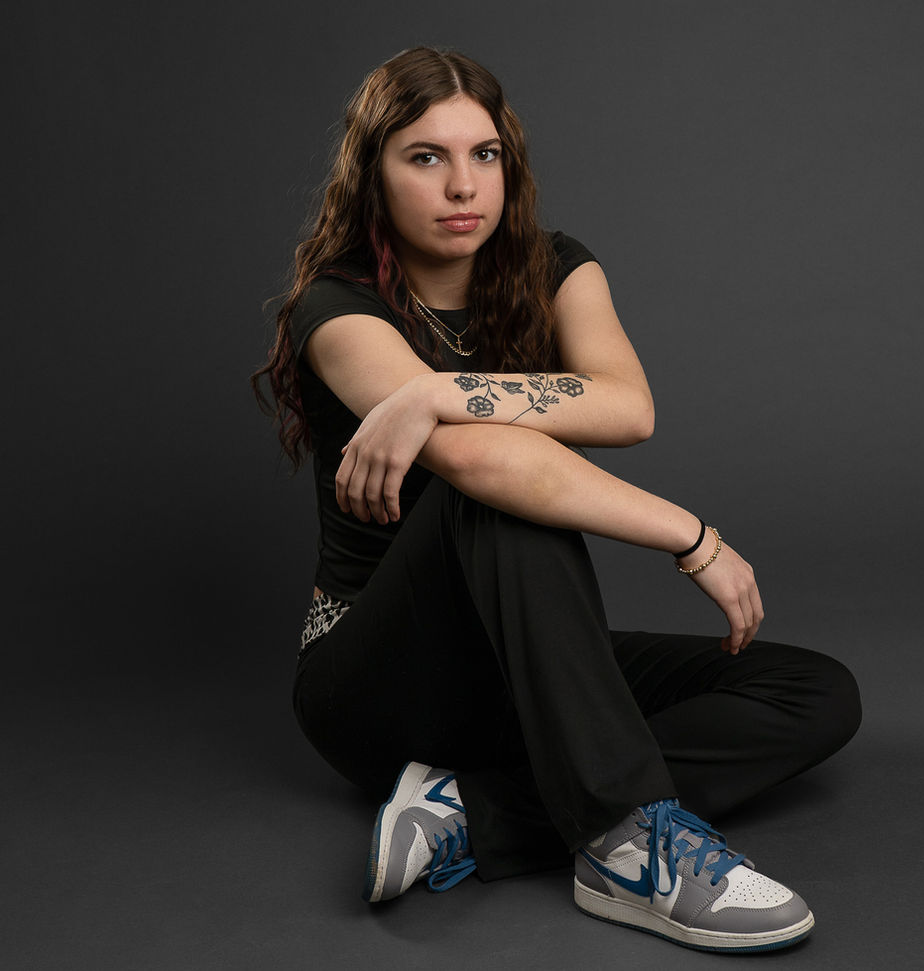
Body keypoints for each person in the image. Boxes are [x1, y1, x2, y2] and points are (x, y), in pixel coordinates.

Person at [253, 46, 861, 954]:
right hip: (377, 684)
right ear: (373, 173)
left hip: (517, 659)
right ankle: (623, 843)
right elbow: (481, 460)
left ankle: (472, 811)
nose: (463, 185)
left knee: (812, 692)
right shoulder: (337, 308)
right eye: (425, 157)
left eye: (484, 154)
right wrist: (690, 536)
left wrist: (432, 392)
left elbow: (629, 407)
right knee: (495, 491)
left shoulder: (554, 266)